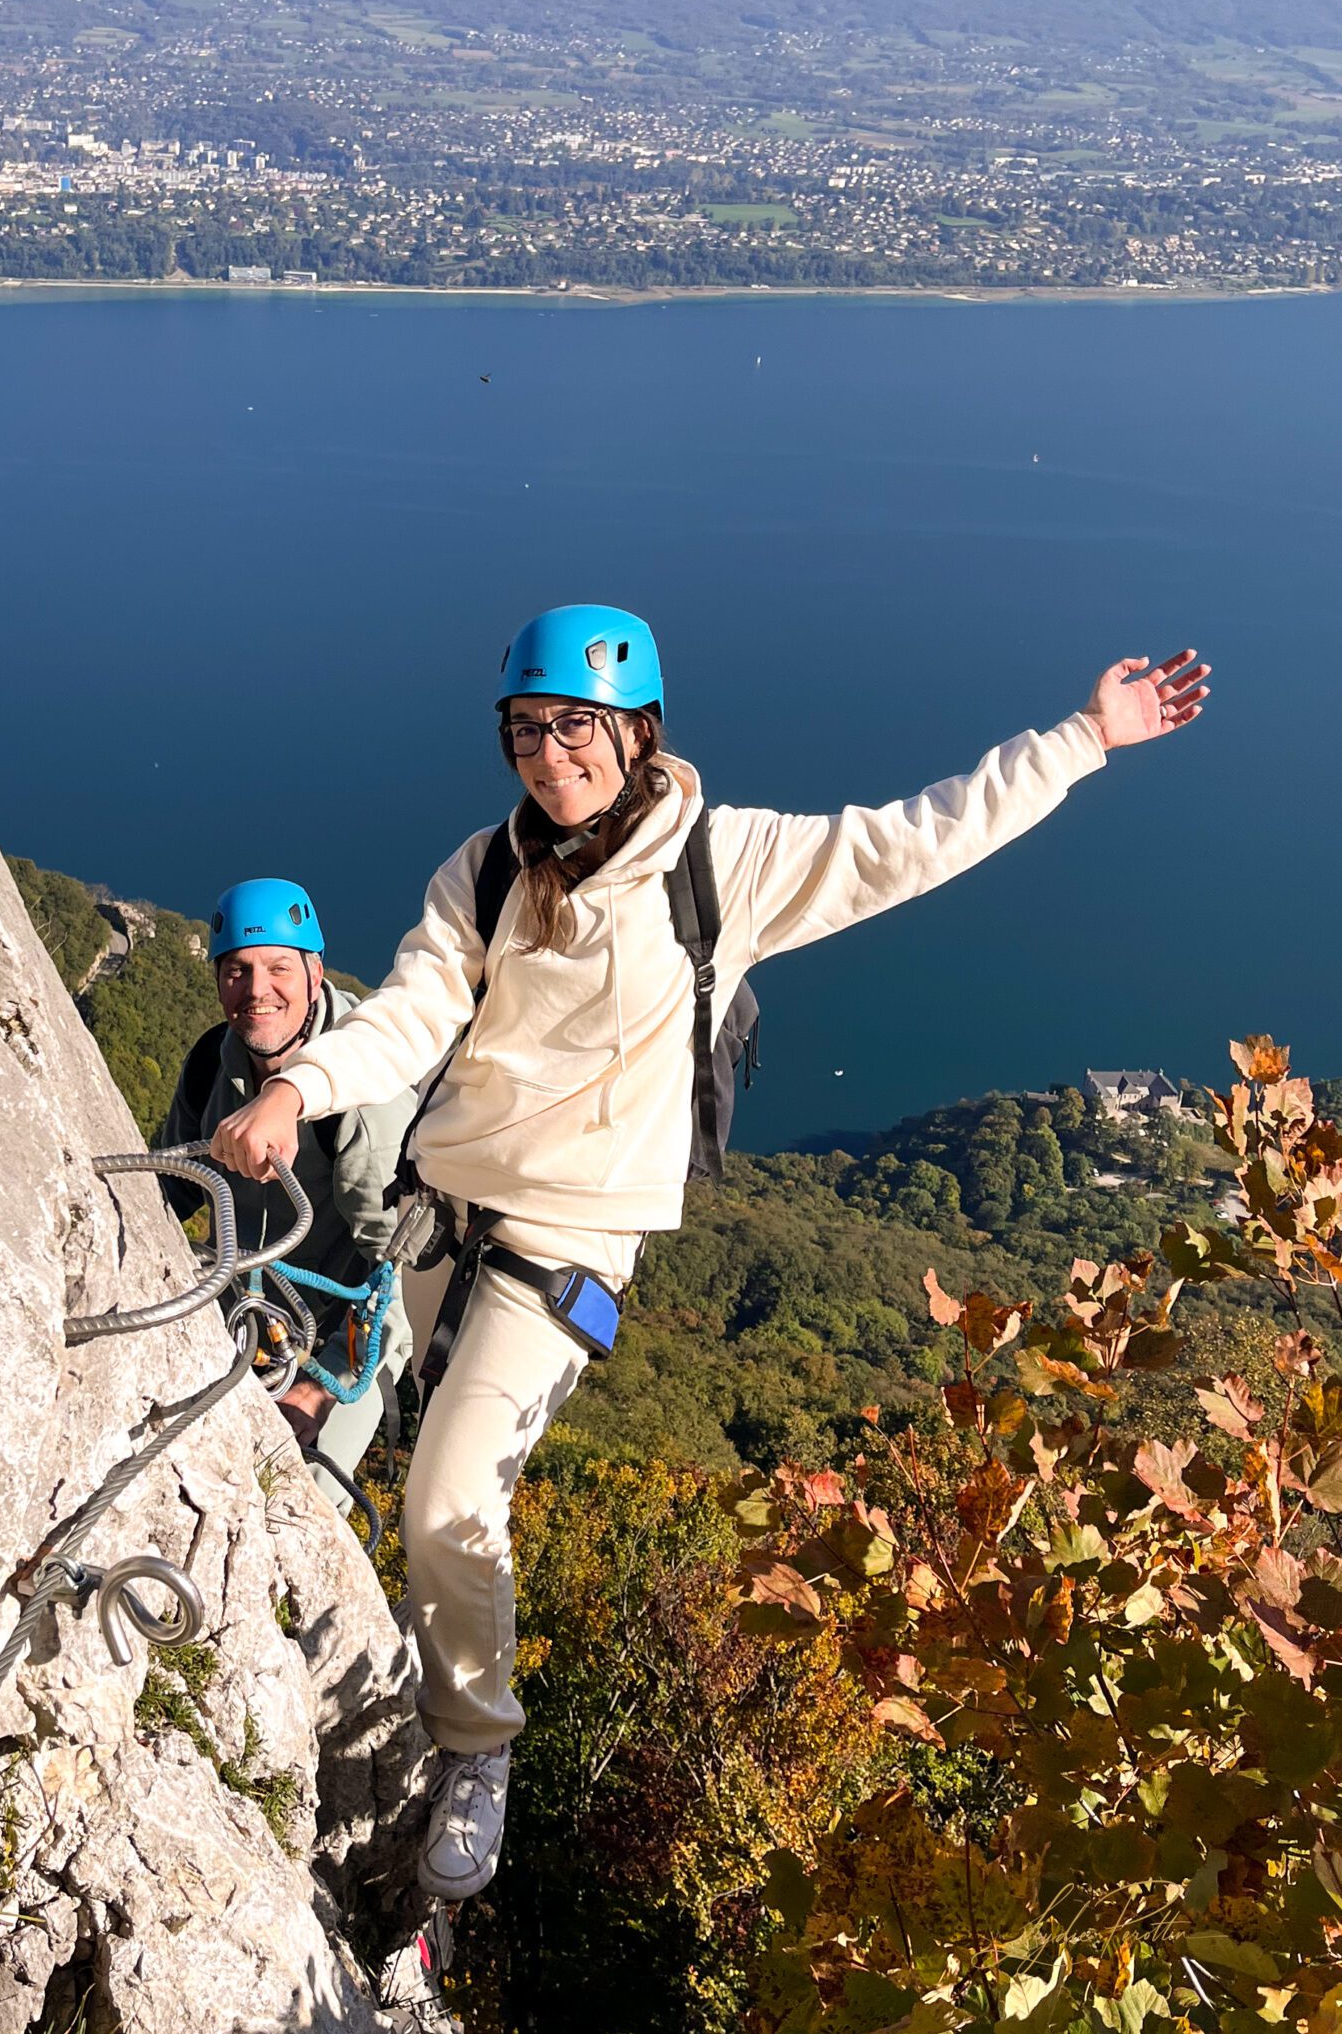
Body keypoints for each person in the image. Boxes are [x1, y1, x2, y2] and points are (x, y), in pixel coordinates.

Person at [210, 608, 1210, 1903]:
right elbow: (412, 1013)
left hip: (566, 1245)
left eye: (576, 725)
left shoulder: (722, 864)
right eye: (526, 729)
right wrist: (303, 1084)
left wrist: (1083, 738)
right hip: (440, 1217)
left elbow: (913, 841)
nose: (550, 754)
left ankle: (476, 1748)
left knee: (450, 1496)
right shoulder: (488, 871)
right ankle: (422, 1643)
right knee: (414, 1445)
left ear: (638, 731)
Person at [158, 876, 414, 1512]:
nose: (256, 991)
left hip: (343, 1342)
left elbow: (397, 1278)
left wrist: (318, 1392)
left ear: (314, 973)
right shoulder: (211, 1064)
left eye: (278, 968)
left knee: (299, 1509)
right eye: (237, 971)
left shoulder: (364, 1099)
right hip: (243, 1314)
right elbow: (167, 1189)